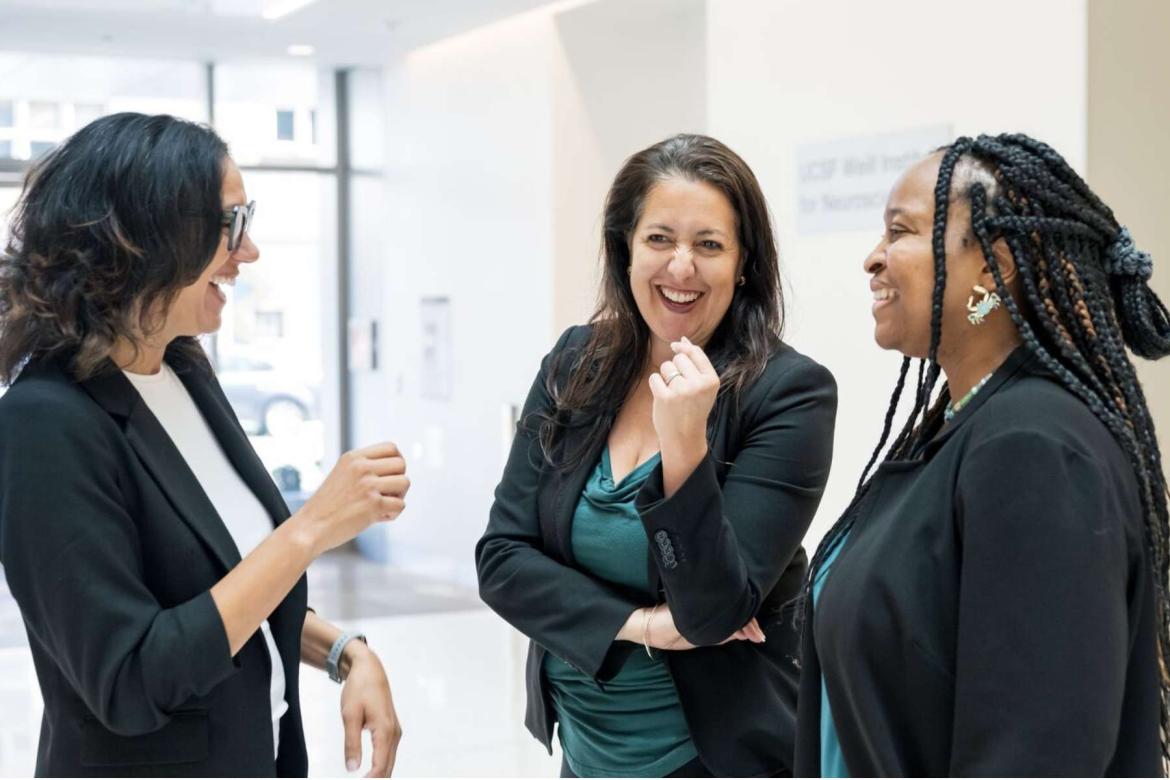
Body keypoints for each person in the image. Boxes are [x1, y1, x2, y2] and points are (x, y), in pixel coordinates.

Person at [0, 113, 409, 777]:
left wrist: (343, 651)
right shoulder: (45, 422)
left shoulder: (183, 366)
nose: (248, 252)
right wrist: (310, 528)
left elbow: (222, 590)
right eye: (231, 223)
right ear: (145, 235)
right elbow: (130, 679)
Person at [795, 134, 1170, 776]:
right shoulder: (953, 429)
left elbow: (1036, 755)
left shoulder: (1035, 447)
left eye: (900, 232)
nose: (873, 260)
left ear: (995, 265)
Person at [476, 134, 838, 777]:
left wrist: (684, 447)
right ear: (626, 247)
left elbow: (714, 610)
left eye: (709, 244)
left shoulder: (789, 394)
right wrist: (642, 624)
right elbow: (502, 561)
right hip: (585, 750)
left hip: (711, 757)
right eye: (660, 239)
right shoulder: (574, 362)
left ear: (744, 263)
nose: (681, 269)